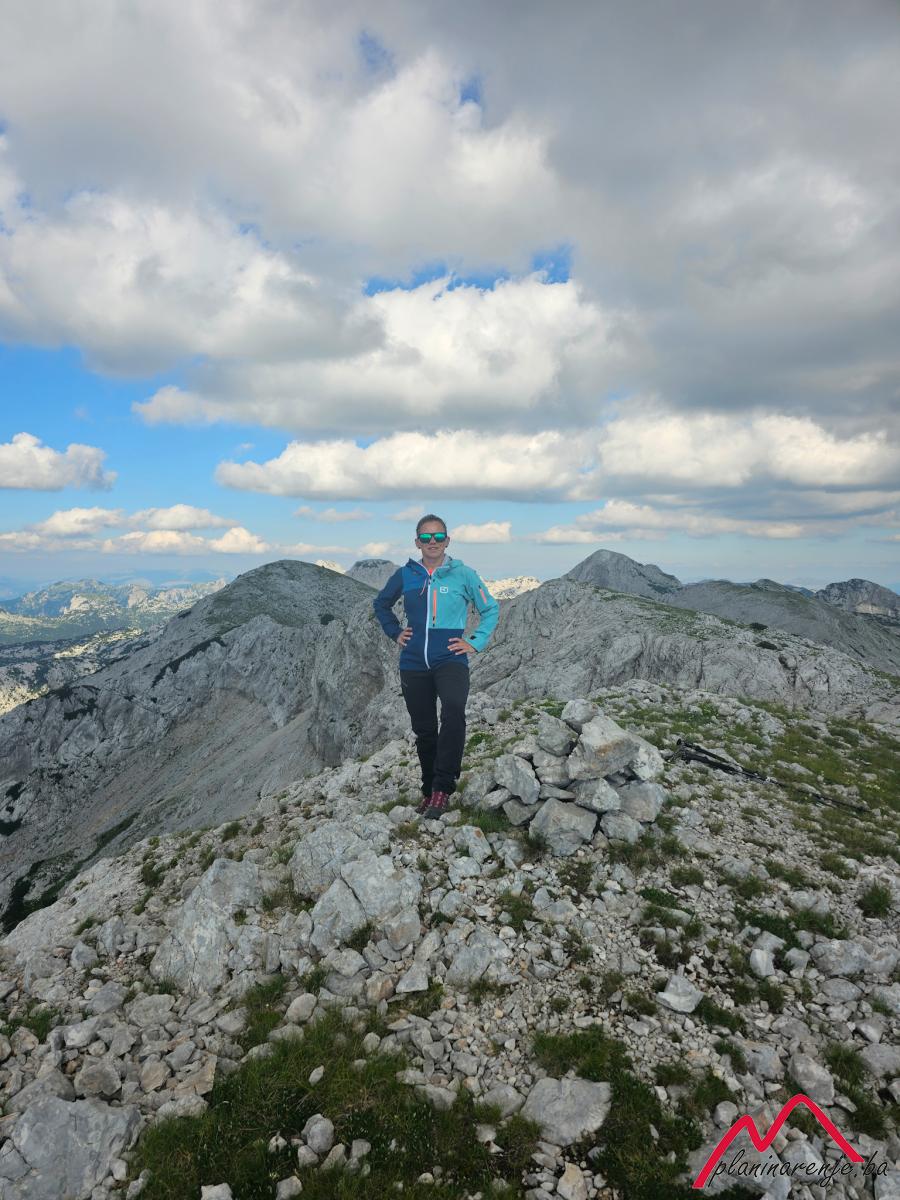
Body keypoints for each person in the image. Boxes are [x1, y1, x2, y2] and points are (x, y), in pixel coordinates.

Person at [373, 514, 500, 816]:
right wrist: (395, 631)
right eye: (426, 537)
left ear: (447, 541)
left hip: (450, 658)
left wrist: (474, 641)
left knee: (454, 711)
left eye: (439, 536)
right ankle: (429, 790)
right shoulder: (405, 574)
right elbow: (381, 604)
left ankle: (443, 788)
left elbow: (490, 608)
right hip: (413, 662)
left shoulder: (464, 574)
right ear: (417, 542)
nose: (433, 542)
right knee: (425, 730)